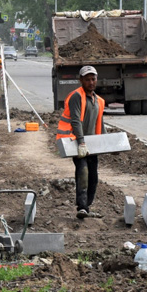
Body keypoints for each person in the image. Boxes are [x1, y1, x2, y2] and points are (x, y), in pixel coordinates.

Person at [56, 65, 105, 219]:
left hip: (93, 145)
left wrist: (107, 142)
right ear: (81, 80)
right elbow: (76, 121)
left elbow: (100, 123)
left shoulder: (99, 101)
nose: (91, 82)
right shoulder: (77, 96)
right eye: (87, 79)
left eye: (93, 79)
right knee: (83, 172)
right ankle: (82, 206)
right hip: (77, 142)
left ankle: (87, 207)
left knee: (93, 177)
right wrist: (81, 143)